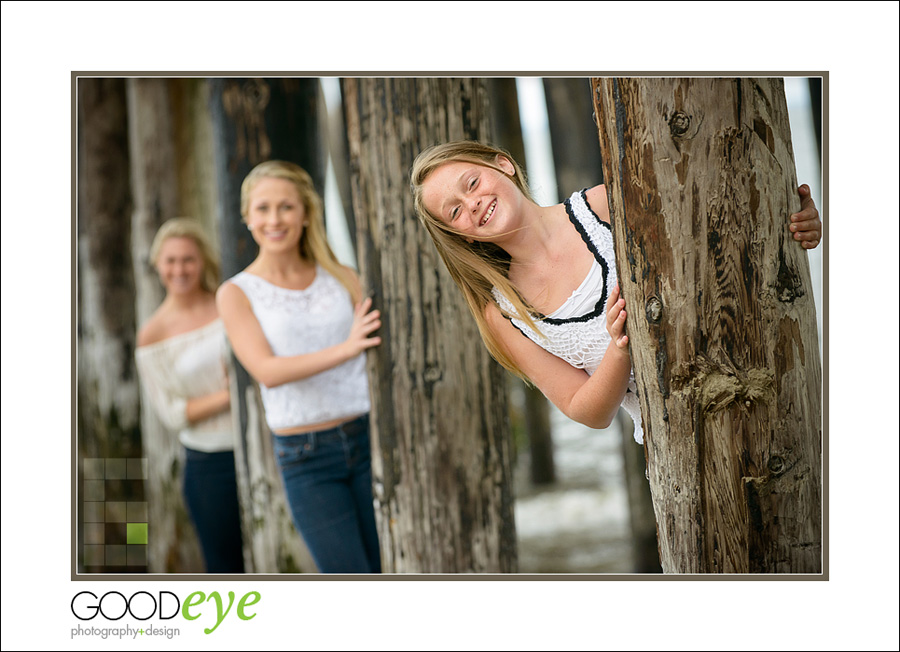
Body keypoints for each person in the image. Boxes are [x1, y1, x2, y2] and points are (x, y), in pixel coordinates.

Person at [411, 140, 822, 444]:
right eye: (454, 211)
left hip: (763, 386)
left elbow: (721, 226)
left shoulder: (608, 205)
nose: (473, 203)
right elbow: (586, 410)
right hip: (680, 448)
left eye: (472, 182)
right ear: (457, 234)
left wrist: (791, 223)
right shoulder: (504, 313)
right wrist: (620, 348)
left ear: (503, 164)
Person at [216, 160, 382, 574]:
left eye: (286, 207)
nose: (275, 219)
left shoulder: (344, 277)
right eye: (263, 208)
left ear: (306, 213)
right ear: (247, 217)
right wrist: (345, 349)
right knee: (349, 575)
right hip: (306, 455)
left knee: (389, 569)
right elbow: (267, 371)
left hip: (369, 437)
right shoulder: (236, 292)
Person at [135, 218, 245, 573]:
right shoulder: (152, 334)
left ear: (203, 262)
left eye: (188, 260)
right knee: (227, 569)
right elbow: (172, 414)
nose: (179, 269)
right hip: (210, 464)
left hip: (265, 448)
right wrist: (231, 395)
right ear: (157, 265)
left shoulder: (230, 303)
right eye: (171, 261)